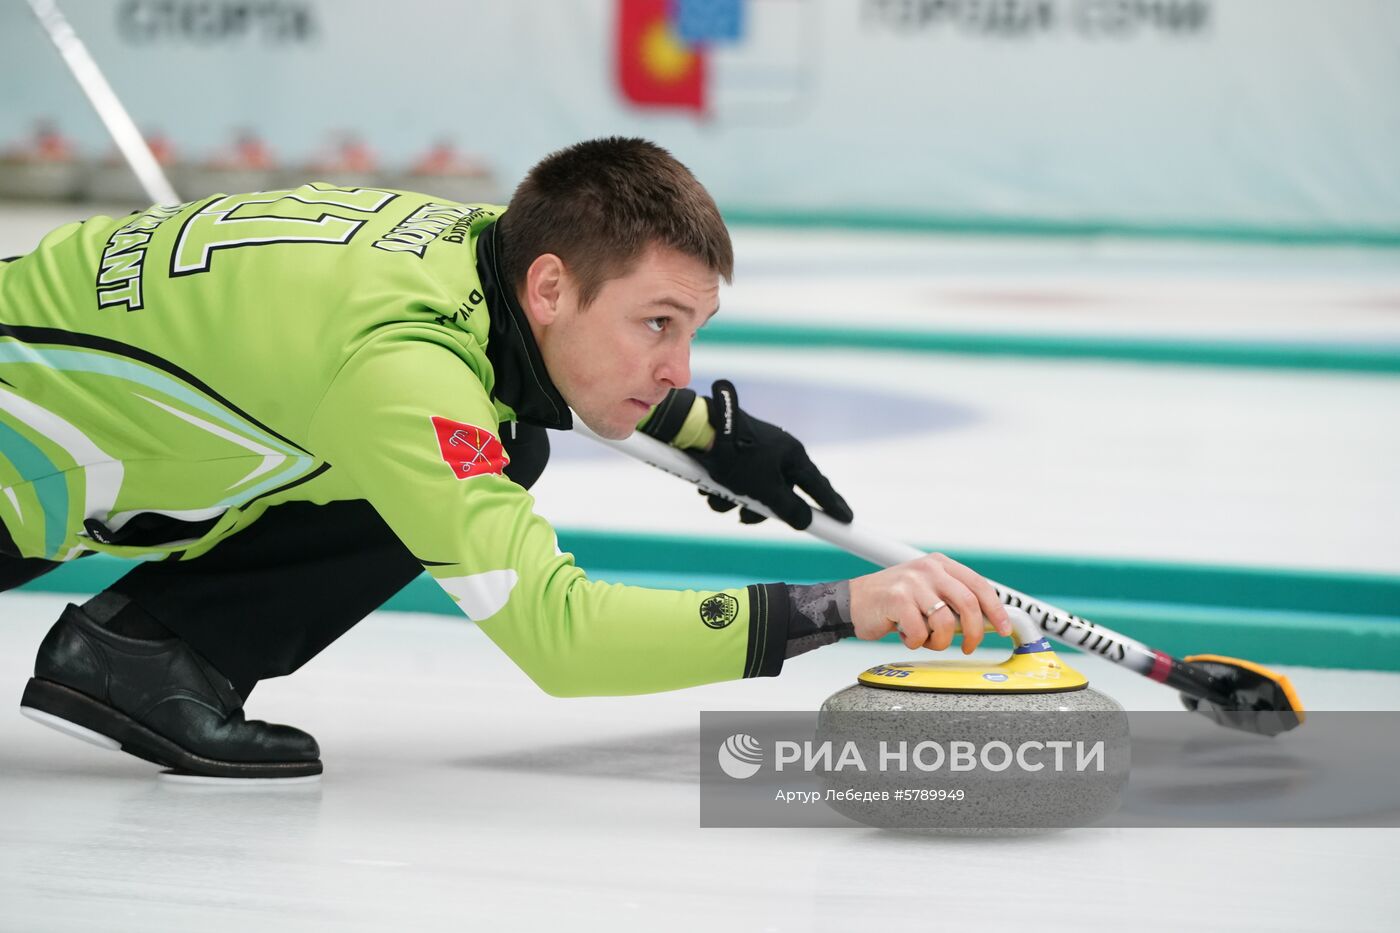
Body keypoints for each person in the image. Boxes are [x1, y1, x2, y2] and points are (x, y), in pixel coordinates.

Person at [0, 137, 1009, 780]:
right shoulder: (402, 365)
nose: (677, 364)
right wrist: (841, 609)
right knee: (491, 446)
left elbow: (540, 367)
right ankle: (153, 653)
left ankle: (151, 659)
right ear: (549, 285)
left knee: (509, 435)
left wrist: (712, 434)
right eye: (655, 324)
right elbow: (560, 641)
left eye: (691, 330)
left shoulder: (469, 247)